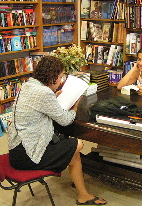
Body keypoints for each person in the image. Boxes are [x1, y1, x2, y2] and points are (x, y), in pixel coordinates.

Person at [8, 56, 107, 205]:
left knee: (71, 150)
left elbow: (38, 106)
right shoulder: (44, 93)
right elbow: (66, 120)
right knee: (76, 145)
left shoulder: (28, 85)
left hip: (17, 150)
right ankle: (83, 193)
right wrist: (74, 106)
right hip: (28, 155)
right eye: (60, 77)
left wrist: (52, 99)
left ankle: (83, 194)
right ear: (52, 76)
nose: (61, 82)